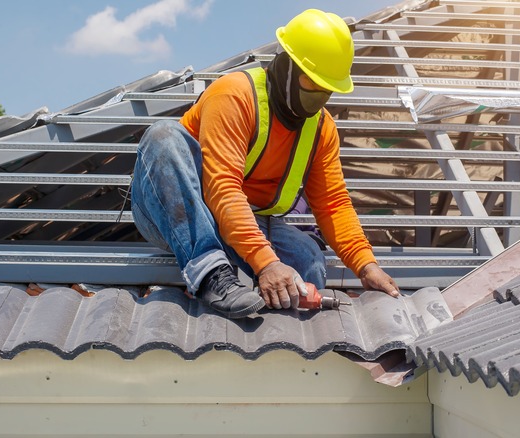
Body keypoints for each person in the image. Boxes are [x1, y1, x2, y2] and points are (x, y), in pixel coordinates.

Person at [130, 9, 399, 319]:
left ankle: (255, 285)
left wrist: (366, 265)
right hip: (179, 210)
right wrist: (266, 263)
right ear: (286, 67)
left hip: (242, 218)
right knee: (163, 135)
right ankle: (210, 274)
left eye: (328, 89)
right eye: (313, 84)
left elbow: (333, 204)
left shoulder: (321, 128)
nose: (320, 97)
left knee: (308, 262)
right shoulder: (235, 95)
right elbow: (222, 188)